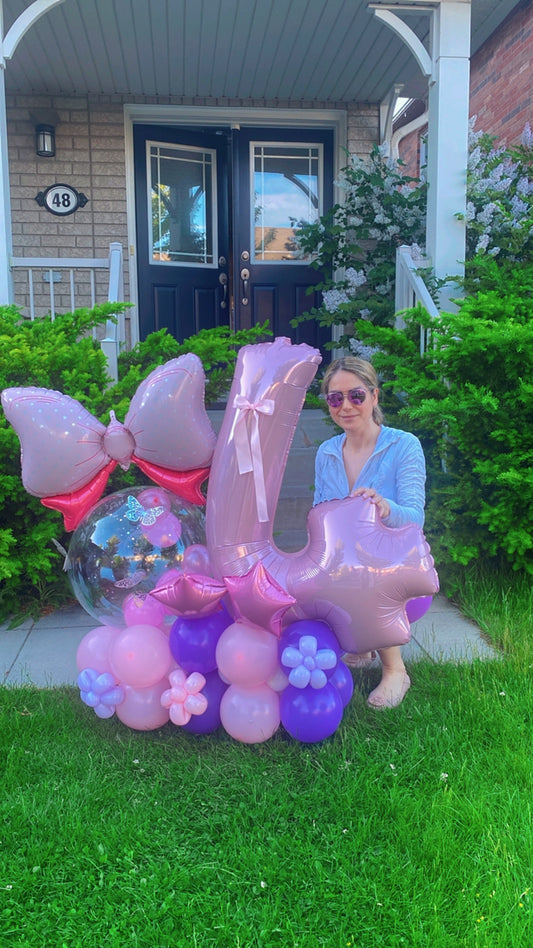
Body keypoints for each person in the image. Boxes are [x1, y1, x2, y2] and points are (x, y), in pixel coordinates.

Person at [313, 356, 426, 709]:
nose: (346, 406)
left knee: (365, 571)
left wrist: (384, 508)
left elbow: (415, 519)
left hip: (399, 558)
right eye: (335, 398)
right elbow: (318, 515)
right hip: (345, 562)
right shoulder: (326, 452)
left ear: (375, 397)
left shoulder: (403, 445)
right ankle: (358, 643)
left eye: (356, 396)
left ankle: (395, 670)